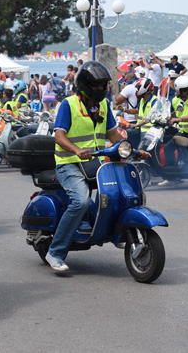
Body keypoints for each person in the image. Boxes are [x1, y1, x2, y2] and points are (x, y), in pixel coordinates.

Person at [48, 61, 127, 272]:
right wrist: (75, 150)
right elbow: (59, 136)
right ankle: (55, 252)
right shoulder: (68, 104)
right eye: (96, 85)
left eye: (103, 85)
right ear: (85, 84)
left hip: (95, 164)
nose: (101, 89)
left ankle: (117, 231)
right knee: (81, 201)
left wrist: (131, 149)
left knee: (117, 194)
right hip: (69, 164)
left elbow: (113, 135)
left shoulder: (103, 105)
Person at [114, 77, 140, 148]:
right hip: (140, 120)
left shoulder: (129, 87)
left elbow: (117, 101)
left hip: (130, 120)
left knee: (129, 145)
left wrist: (122, 89)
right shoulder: (140, 87)